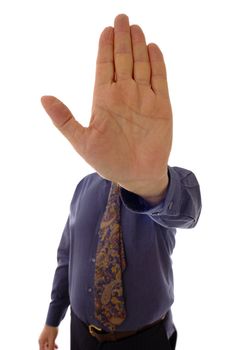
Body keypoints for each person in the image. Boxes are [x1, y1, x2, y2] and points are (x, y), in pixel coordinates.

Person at [38, 13, 201, 350]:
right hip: (81, 337)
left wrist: (152, 185)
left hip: (147, 341)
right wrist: (52, 320)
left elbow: (187, 212)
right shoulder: (82, 188)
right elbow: (66, 260)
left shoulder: (159, 185)